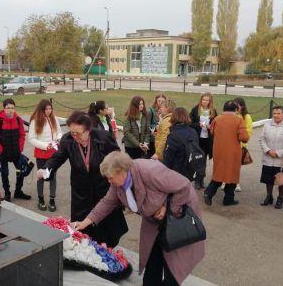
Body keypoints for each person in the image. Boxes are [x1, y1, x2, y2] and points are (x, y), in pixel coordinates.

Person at [73, 151, 204, 286]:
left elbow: (183, 185)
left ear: (121, 172)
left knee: (173, 263)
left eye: (110, 177)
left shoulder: (150, 171)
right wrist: (85, 222)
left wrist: (168, 208)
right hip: (154, 220)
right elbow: (107, 202)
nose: (108, 181)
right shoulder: (117, 184)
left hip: (178, 217)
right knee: (152, 258)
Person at [36, 111, 127, 247]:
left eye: (78, 133)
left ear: (88, 130)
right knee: (84, 232)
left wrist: (122, 186)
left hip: (103, 191)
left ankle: (108, 255)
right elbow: (57, 157)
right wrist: (45, 170)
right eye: (73, 133)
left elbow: (118, 159)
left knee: (107, 232)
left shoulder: (102, 137)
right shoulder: (68, 140)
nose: (75, 136)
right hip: (81, 194)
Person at [204, 100, 249, 206]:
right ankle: (228, 199)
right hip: (233, 152)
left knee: (219, 173)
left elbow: (211, 131)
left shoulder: (217, 119)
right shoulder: (238, 120)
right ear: (236, 109)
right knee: (232, 175)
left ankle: (209, 193)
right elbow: (244, 138)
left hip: (218, 151)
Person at [28, 99, 63, 211]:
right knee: (42, 175)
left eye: (50, 108)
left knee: (53, 176)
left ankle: (52, 199)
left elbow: (59, 132)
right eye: (46, 109)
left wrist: (58, 139)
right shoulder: (35, 121)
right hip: (42, 153)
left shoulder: (54, 118)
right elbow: (31, 139)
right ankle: (41, 199)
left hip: (54, 152)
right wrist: (45, 145)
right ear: (41, 109)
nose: (48, 111)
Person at [258, 106, 283, 209]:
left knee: (282, 180)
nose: (276, 115)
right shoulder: (267, 125)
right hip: (268, 157)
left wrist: (278, 153)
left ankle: (280, 198)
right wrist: (268, 150)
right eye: (274, 113)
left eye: (279, 113)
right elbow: (262, 139)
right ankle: (269, 196)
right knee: (268, 179)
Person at [0, 98, 30, 201]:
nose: (10, 110)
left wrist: (20, 147)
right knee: (4, 173)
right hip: (3, 153)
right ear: (4, 109)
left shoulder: (18, 120)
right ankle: (7, 192)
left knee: (21, 171)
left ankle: (18, 191)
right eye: (8, 108)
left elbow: (22, 135)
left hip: (16, 152)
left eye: (12, 108)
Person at [162, 107, 199, 180]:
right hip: (190, 169)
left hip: (177, 172)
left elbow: (168, 157)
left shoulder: (174, 135)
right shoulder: (193, 132)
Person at [189, 92, 217, 188]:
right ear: (201, 100)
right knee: (197, 159)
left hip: (207, 139)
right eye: (203, 99)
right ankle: (197, 180)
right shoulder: (195, 110)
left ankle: (201, 179)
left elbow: (216, 125)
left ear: (210, 101)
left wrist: (211, 127)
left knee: (204, 160)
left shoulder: (213, 111)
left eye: (207, 100)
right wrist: (198, 125)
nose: (205, 102)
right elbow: (189, 123)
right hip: (197, 138)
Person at [232, 97, 253, 192]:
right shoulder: (231, 115)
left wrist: (242, 143)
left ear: (242, 106)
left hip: (240, 145)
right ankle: (224, 181)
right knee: (227, 164)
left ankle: (236, 183)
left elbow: (248, 131)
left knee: (236, 166)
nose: (235, 107)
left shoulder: (246, 117)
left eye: (237, 105)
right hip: (229, 145)